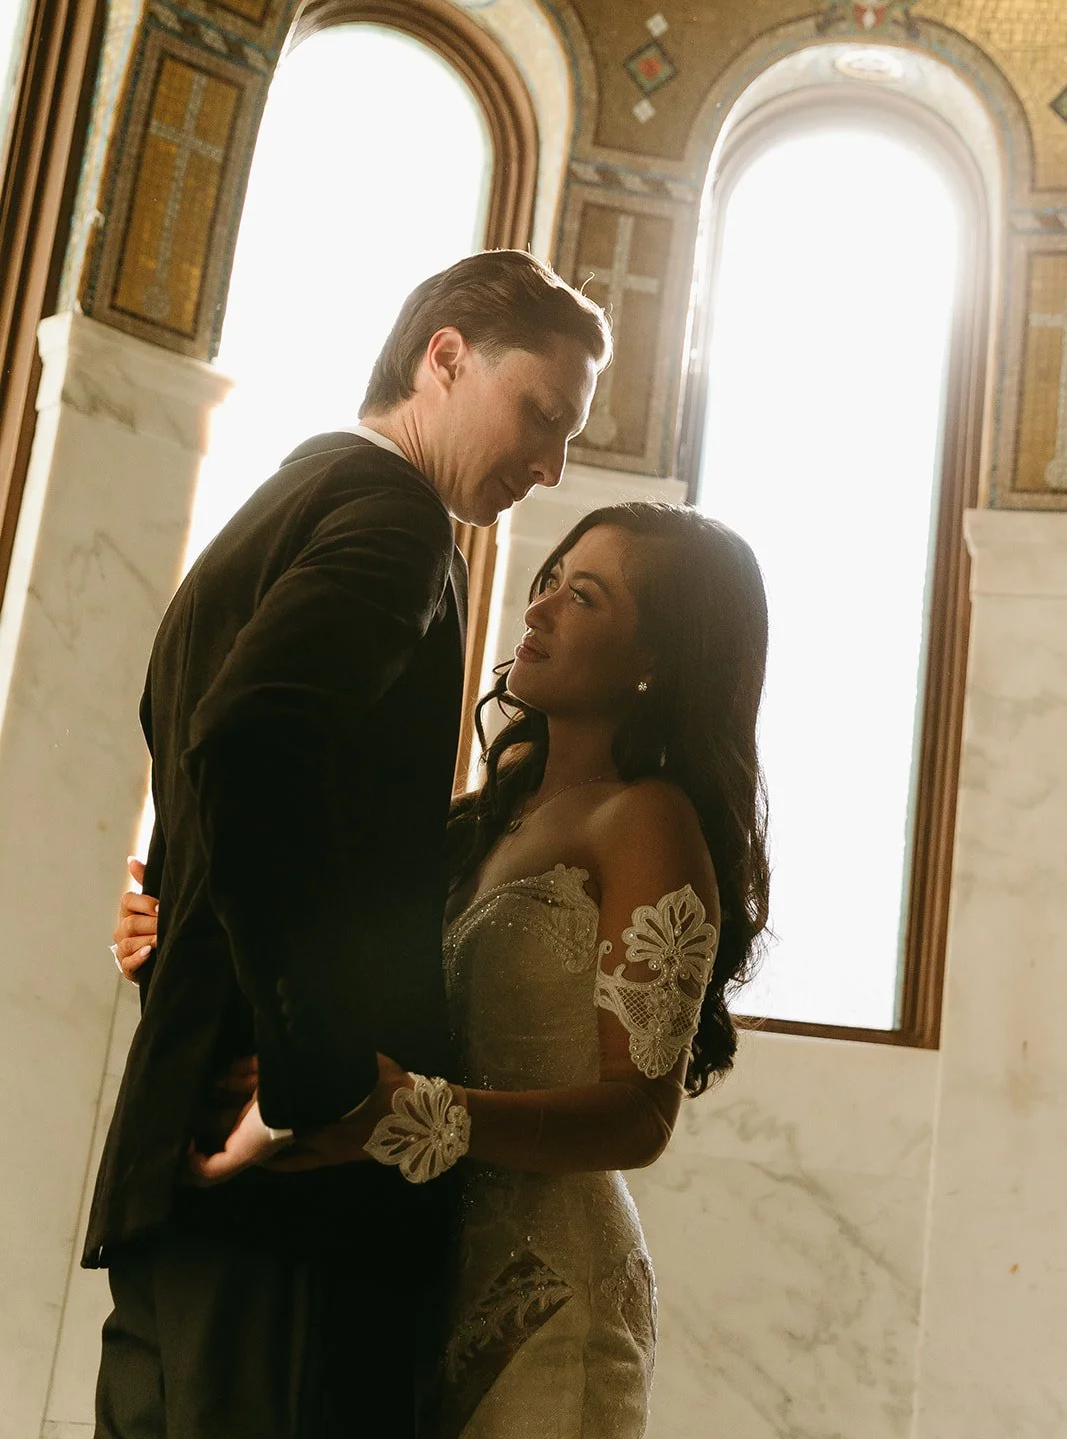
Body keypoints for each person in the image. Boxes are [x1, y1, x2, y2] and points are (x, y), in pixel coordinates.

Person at [87, 248, 610, 1439]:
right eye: (540, 415)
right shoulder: (395, 519)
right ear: (445, 355)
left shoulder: (281, 503)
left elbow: (222, 768)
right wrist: (311, 1081)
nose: (549, 463)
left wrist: (184, 928)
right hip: (286, 1184)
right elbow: (246, 743)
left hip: (180, 1156)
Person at [113, 501, 771, 1436]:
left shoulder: (646, 820)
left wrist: (403, 1115)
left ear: (654, 661)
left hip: (547, 1296)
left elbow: (638, 1116)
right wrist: (167, 927)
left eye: (582, 597)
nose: (538, 610)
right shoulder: (471, 821)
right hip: (415, 1272)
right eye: (545, 581)